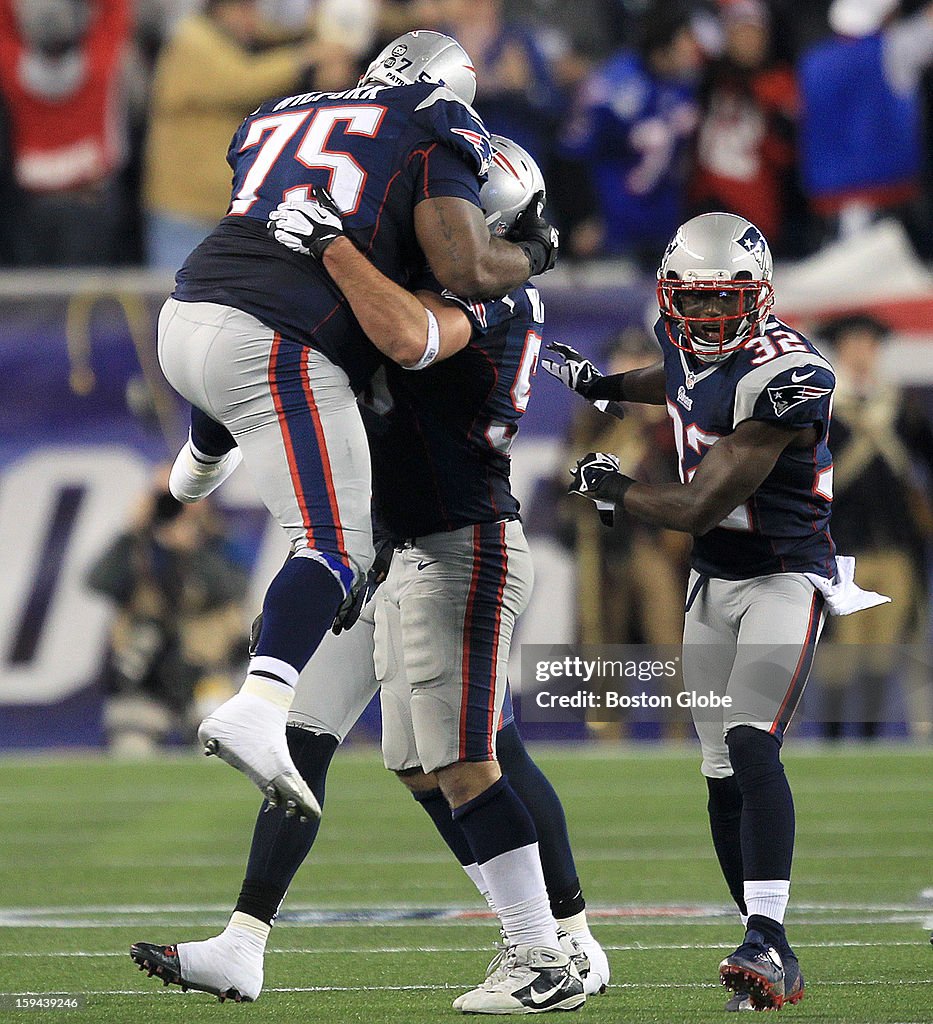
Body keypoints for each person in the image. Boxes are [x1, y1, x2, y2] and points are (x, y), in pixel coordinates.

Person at [131, 138, 597, 1013]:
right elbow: (277, 351)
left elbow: (405, 337)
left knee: (470, 753)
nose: (430, 232)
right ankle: (243, 942)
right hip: (388, 550)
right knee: (308, 733)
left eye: (446, 218)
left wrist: (333, 245)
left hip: (458, 545)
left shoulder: (487, 302)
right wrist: (196, 460)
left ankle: (561, 945)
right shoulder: (408, 282)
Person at [156, 30, 559, 824]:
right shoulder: (436, 123)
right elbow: (460, 277)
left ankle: (201, 456)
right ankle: (259, 699)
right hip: (279, 344)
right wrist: (534, 253)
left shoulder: (276, 113)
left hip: (187, 309)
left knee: (240, 381)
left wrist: (340, 244)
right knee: (334, 548)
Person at [544, 211, 889, 1011]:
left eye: (716, 303)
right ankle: (766, 946)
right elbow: (671, 380)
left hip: (781, 576)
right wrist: (601, 385)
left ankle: (765, 936)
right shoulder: (683, 339)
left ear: (758, 297)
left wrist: (614, 487)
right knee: (717, 769)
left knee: (749, 740)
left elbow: (701, 503)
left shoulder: (791, 375)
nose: (699, 319)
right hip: (711, 584)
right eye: (687, 302)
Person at [818, 314, 933, 739]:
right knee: (839, 654)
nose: (862, 352)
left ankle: (868, 737)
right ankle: (832, 739)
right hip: (842, 547)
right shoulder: (824, 408)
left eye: (868, 343)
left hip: (895, 545)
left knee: (882, 652)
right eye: (853, 343)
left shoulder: (900, 406)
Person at [87, 479, 247, 755]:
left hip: (206, 671)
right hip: (147, 675)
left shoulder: (216, 543)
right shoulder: (138, 549)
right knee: (131, 749)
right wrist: (131, 531)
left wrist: (194, 547)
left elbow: (234, 588)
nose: (173, 511)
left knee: (219, 746)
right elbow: (99, 581)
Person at [558, 0, 703, 263]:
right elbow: (571, 152)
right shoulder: (612, 84)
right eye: (687, 37)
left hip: (665, 230)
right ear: (664, 43)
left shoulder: (685, 87)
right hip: (613, 230)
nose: (694, 47)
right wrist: (584, 217)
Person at [798, 0, 933, 247]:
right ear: (887, 16)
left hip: (826, 205)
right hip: (887, 202)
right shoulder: (893, 50)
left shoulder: (812, 60)